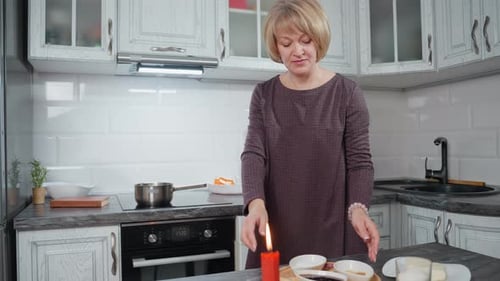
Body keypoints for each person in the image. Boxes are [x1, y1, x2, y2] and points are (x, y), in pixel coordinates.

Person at [240, 0, 379, 269]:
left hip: (334, 229)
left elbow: (360, 161)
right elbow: (253, 154)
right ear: (276, 47)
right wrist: (255, 204)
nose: (298, 51)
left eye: (306, 40)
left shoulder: (347, 93)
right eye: (286, 42)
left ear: (319, 40)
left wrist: (358, 208)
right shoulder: (264, 95)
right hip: (277, 229)